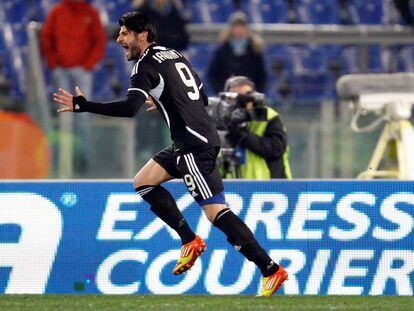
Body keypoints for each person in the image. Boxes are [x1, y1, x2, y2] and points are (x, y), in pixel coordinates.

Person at [54, 11, 288, 297]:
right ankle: (189, 240)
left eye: (125, 33)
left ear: (142, 35)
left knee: (216, 212)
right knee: (143, 181)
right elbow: (200, 95)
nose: (119, 39)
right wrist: (164, 99)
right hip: (191, 141)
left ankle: (269, 269)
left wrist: (85, 105)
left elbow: (130, 108)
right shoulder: (172, 53)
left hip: (193, 146)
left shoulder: (144, 65)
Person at [41, 0, 106, 171]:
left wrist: (88, 65)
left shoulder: (90, 13)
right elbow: (47, 37)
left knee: (82, 116)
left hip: (82, 71)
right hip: (61, 70)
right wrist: (54, 63)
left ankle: (83, 160)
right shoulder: (57, 12)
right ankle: (59, 160)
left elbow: (99, 40)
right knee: (63, 115)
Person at [222, 76, 292, 179]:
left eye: (248, 96)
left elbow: (275, 150)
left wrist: (241, 134)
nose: (244, 102)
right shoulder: (220, 119)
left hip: (270, 188)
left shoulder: (268, 116)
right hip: (232, 188)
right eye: (238, 98)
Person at [207, 11, 267, 94]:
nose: (238, 29)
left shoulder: (255, 49)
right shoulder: (222, 49)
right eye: (236, 26)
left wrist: (254, 92)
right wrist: (222, 91)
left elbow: (261, 75)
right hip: (227, 95)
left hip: (249, 95)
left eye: (241, 26)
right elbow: (212, 74)